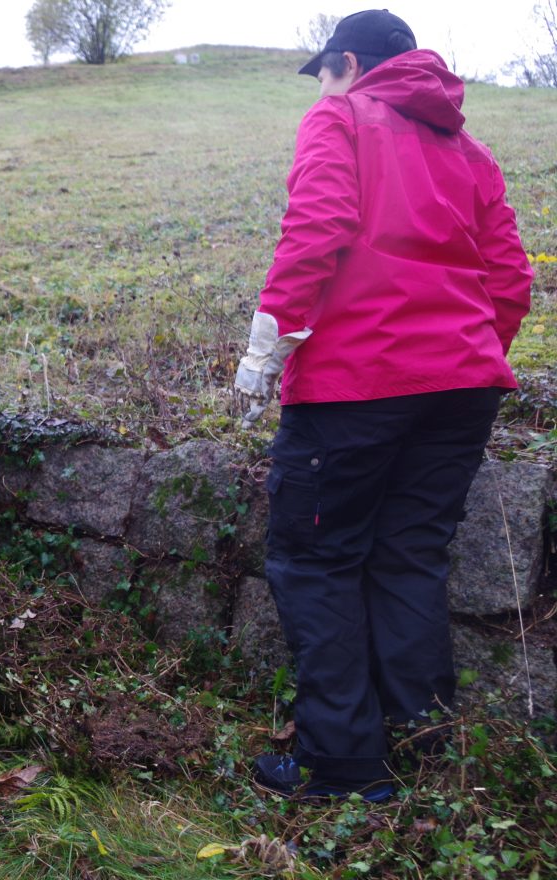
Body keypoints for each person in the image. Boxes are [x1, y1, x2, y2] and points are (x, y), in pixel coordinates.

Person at [233, 9, 532, 801]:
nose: (320, 85)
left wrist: (270, 342)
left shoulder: (340, 115)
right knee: (409, 559)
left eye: (323, 70)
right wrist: (468, 350)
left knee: (315, 561)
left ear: (349, 63)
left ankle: (343, 769)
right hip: (463, 388)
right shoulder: (468, 150)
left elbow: (320, 225)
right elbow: (511, 278)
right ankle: (426, 750)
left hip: (355, 385)